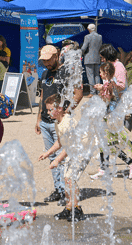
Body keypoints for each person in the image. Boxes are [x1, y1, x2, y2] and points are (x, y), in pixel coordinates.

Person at [36, 45, 83, 205]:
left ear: (56, 56)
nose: (46, 63)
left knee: (63, 157)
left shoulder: (67, 72)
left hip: (59, 121)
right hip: (45, 121)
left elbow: (78, 93)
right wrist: (38, 118)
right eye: (44, 61)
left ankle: (66, 192)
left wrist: (66, 113)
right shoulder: (45, 73)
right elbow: (43, 96)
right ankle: (58, 189)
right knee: (51, 157)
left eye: (49, 60)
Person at [38, 94, 89, 221]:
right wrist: (47, 153)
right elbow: (60, 142)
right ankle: (69, 208)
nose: (48, 113)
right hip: (73, 152)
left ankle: (77, 210)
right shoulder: (57, 122)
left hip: (82, 152)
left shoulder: (67, 122)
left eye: (50, 110)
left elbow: (69, 146)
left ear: (60, 108)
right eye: (47, 110)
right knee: (66, 179)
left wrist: (56, 160)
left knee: (70, 179)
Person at [81, 24, 103, 89]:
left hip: (89, 58)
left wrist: (81, 53)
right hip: (97, 58)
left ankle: (92, 91)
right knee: (97, 75)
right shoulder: (100, 36)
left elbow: (83, 48)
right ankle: (98, 90)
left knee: (90, 76)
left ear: (88, 29)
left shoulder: (87, 37)